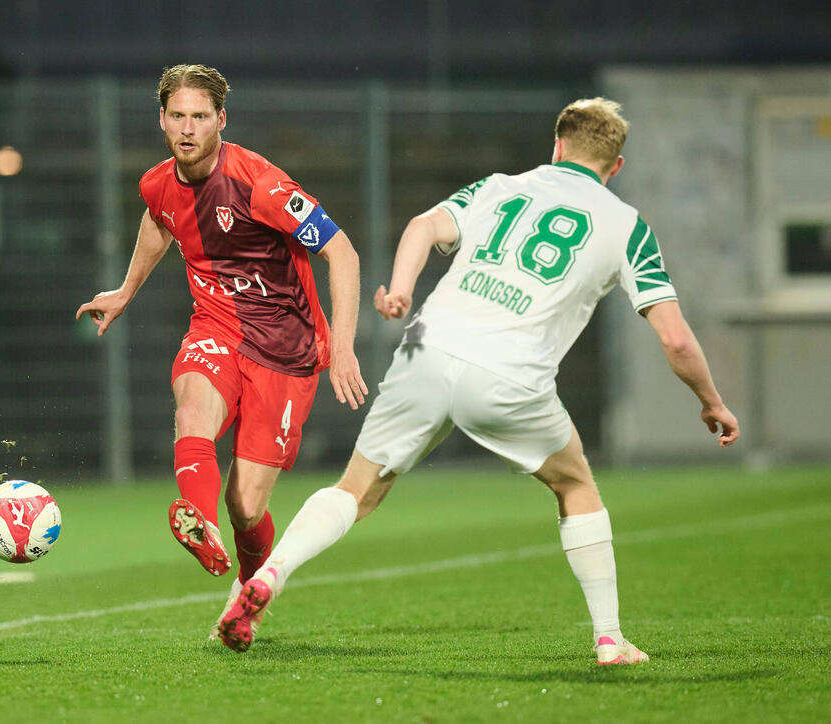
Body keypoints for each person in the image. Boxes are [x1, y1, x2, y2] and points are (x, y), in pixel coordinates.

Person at [217, 97, 739, 664]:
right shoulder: (627, 225)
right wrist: (711, 402)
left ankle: (268, 575)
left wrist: (400, 289)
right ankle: (610, 639)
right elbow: (677, 340)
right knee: (576, 485)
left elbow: (423, 225)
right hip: (509, 374)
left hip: (426, 348)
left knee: (356, 489)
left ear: (557, 145)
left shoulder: (499, 187)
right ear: (616, 167)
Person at [75, 64, 367, 633]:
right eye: (178, 116)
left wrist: (346, 347)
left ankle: (246, 594)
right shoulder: (157, 182)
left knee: (249, 507)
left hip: (286, 350)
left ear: (221, 121)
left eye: (200, 117)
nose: (188, 128)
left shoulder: (262, 185)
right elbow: (161, 221)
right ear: (162, 119)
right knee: (191, 407)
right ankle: (199, 523)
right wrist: (125, 290)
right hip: (217, 328)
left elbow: (344, 254)